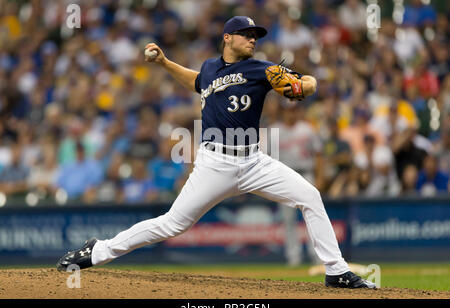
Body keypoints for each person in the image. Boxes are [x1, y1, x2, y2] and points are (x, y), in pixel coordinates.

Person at [57, 16, 375, 289]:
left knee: (310, 196)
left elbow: (304, 88)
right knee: (172, 225)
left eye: (256, 36)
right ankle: (97, 251)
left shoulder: (261, 69)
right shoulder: (210, 68)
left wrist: (308, 81)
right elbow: (197, 81)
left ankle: (336, 271)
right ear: (227, 38)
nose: (252, 39)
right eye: (246, 35)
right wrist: (165, 63)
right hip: (215, 163)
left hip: (253, 162)